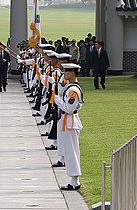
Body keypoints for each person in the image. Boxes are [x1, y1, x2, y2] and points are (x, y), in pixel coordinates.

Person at [54, 63, 84, 191]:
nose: (64, 74)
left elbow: (69, 108)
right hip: (67, 121)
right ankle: (73, 180)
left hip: (70, 122)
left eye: (66, 72)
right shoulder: (70, 87)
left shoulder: (73, 91)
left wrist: (56, 100)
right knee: (69, 151)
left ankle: (74, 181)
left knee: (72, 152)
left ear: (72, 73)